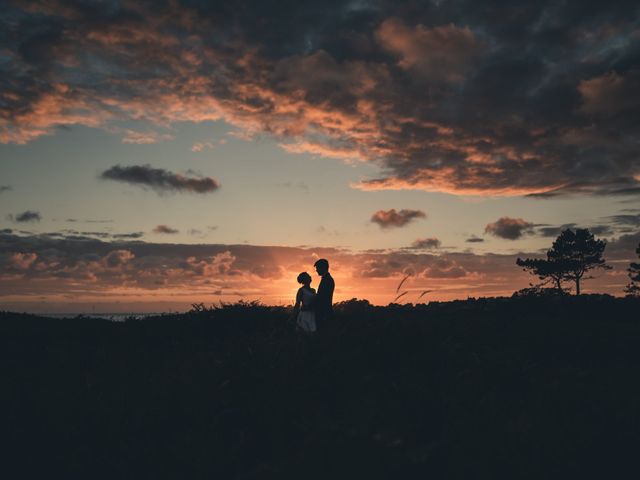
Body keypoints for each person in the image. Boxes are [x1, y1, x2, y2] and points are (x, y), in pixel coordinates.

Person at [314, 258, 334, 331]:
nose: (316, 270)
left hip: (324, 313)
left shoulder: (327, 280)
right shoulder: (326, 279)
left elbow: (322, 298)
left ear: (322, 268)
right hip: (324, 312)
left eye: (317, 268)